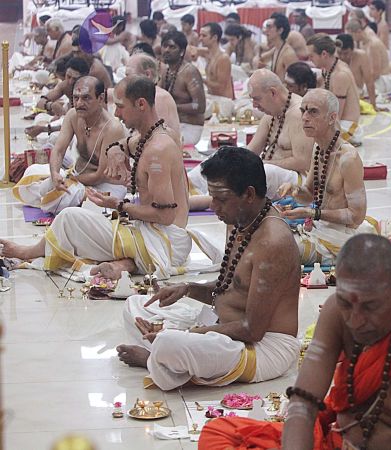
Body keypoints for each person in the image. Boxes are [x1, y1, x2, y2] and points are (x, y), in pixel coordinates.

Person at [198, 235, 391, 449]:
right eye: (346, 303)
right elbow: (304, 401)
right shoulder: (336, 311)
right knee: (219, 433)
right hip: (335, 442)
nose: (355, 320)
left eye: (370, 306)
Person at [116, 147, 300, 390]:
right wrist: (187, 288)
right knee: (136, 305)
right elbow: (231, 285)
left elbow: (252, 330)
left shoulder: (273, 242)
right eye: (212, 197)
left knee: (171, 343)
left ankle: (158, 356)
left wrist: (193, 334)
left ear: (248, 194)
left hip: (263, 348)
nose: (213, 206)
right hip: (222, 326)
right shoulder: (240, 220)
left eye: (221, 199)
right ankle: (166, 355)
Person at [2, 77, 191, 280]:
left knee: (68, 219)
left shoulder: (157, 150)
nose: (117, 113)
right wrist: (116, 149)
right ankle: (126, 264)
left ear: (141, 104)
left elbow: (165, 216)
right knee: (76, 214)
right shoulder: (154, 136)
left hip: (165, 241)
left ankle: (30, 252)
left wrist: (118, 205)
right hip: (152, 232)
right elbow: (127, 143)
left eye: (121, 106)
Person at [188, 70, 314, 206]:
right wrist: (229, 160)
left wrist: (262, 163)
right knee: (221, 156)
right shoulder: (272, 112)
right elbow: (250, 151)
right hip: (270, 169)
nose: (254, 105)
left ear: (272, 92)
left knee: (264, 171)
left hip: (297, 180)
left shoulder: (298, 113)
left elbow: (303, 162)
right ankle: (187, 187)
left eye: (257, 99)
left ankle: (197, 202)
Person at [278, 89, 374, 265]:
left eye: (313, 111)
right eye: (303, 111)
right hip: (318, 228)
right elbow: (308, 195)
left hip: (340, 236)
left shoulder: (348, 158)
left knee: (277, 249)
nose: (305, 117)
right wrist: (295, 190)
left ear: (331, 118)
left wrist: (312, 213)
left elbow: (357, 216)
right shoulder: (318, 148)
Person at [14, 76, 127, 214]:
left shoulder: (112, 128)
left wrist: (68, 180)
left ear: (100, 98)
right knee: (32, 172)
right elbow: (58, 150)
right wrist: (55, 174)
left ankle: (60, 198)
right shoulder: (73, 115)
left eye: (86, 98)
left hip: (105, 186)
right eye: (76, 98)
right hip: (77, 178)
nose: (79, 103)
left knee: (59, 197)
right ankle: (59, 196)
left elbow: (100, 175)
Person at [307, 34, 363, 145]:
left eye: (311, 56)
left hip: (348, 128)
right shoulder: (329, 69)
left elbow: (336, 116)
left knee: (304, 131)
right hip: (340, 123)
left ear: (324, 54)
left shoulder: (340, 75)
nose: (310, 59)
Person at [158, 30, 206, 146]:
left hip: (190, 127)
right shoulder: (165, 71)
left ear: (181, 52)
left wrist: (172, 107)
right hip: (172, 125)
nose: (167, 50)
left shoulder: (189, 72)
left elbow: (199, 106)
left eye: (172, 47)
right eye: (164, 46)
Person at [124, 54, 181, 138]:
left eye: (128, 75)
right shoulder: (143, 96)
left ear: (147, 74)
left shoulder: (158, 97)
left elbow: (156, 135)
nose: (125, 81)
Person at [31, 56, 89, 124]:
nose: (70, 82)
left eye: (75, 79)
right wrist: (51, 105)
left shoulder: (89, 90)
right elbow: (40, 102)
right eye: (68, 76)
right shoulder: (65, 86)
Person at [346, 19, 391, 101]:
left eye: (351, 36)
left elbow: (376, 73)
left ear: (359, 32)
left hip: (382, 81)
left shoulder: (373, 45)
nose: (350, 40)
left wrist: (360, 83)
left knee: (353, 92)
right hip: (371, 79)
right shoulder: (361, 43)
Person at [336, 33, 377, 108]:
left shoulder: (361, 56)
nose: (342, 57)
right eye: (339, 53)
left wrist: (373, 105)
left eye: (346, 53)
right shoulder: (333, 57)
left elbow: (369, 82)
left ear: (352, 50)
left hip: (357, 93)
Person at [255, 14, 298, 80]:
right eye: (266, 27)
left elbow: (295, 81)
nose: (265, 30)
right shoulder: (276, 49)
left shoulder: (288, 54)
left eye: (269, 27)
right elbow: (259, 60)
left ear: (280, 30)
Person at [199, 23, 234, 100]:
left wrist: (201, 79)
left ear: (214, 37)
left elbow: (221, 86)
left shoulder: (223, 58)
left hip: (224, 101)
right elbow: (191, 49)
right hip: (212, 97)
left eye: (204, 36)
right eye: (200, 35)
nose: (200, 39)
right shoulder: (208, 53)